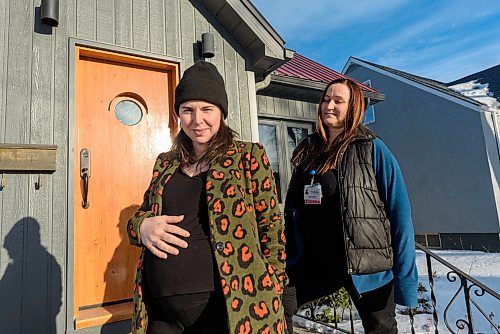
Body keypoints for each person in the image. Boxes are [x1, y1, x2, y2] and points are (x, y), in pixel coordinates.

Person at [127, 60, 287, 334]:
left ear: (221, 113)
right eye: (187, 110)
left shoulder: (248, 156)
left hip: (226, 305)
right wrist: (141, 227)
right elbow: (141, 214)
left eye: (206, 109)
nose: (196, 120)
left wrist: (275, 284)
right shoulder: (166, 162)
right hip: (161, 308)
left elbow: (271, 227)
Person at [283, 78, 418, 333]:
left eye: (338, 101)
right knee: (276, 304)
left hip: (367, 267)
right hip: (316, 264)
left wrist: (407, 281)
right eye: (325, 99)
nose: (329, 106)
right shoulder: (309, 151)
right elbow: (295, 210)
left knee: (380, 329)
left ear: (354, 107)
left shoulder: (372, 149)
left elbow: (400, 214)